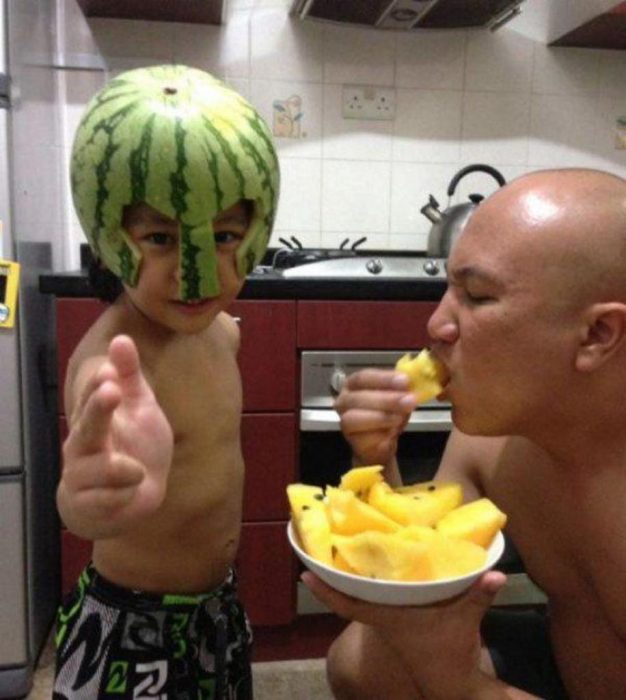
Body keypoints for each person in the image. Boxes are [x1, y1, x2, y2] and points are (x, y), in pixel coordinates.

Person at [303, 168, 626, 700]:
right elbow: (417, 561)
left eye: (476, 296)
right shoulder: (493, 444)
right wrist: (377, 461)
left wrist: (459, 684)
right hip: (573, 664)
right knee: (362, 663)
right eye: (447, 287)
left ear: (595, 335)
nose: (435, 325)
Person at [53, 64, 279, 699]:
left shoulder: (221, 332)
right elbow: (82, 497)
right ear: (107, 236)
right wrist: (87, 500)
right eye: (159, 237)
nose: (196, 273)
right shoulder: (113, 364)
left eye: (225, 235)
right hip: (133, 629)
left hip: (215, 615)